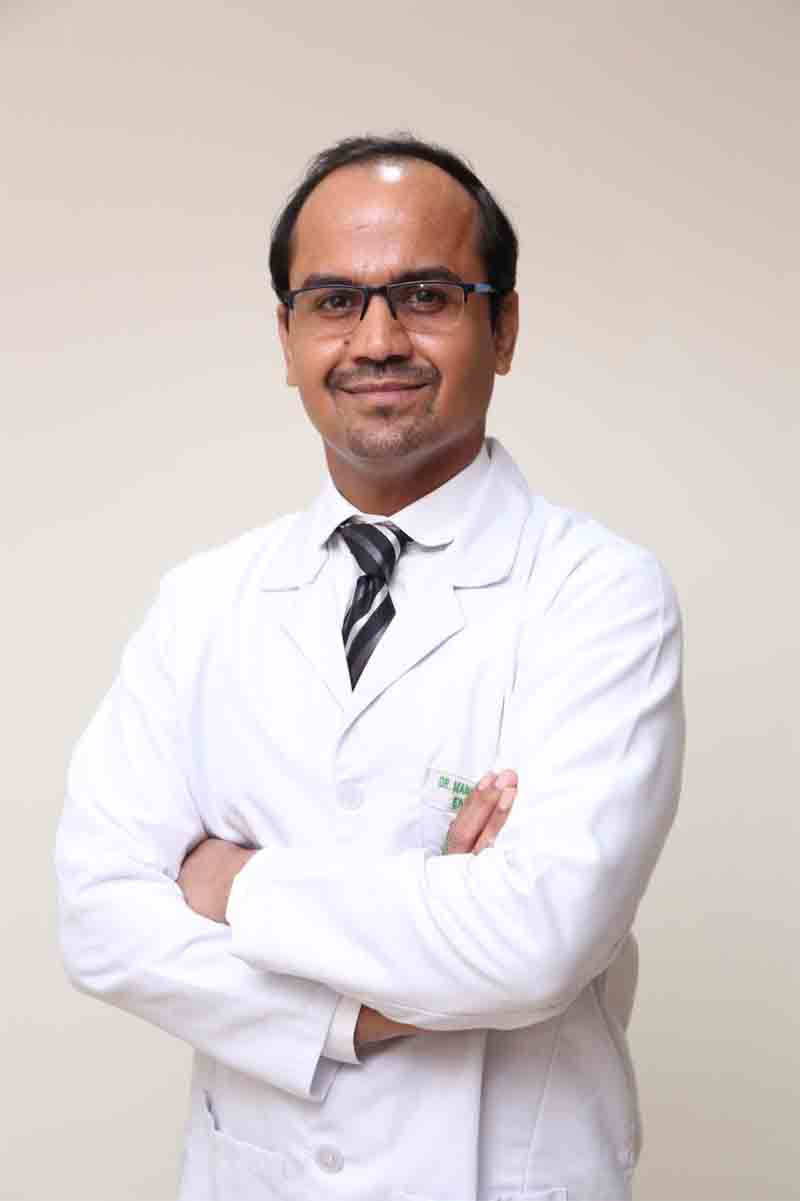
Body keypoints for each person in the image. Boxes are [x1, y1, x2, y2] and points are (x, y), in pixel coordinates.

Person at [54, 133, 685, 1201]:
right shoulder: (203, 602)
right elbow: (100, 919)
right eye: (335, 301)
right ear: (288, 336)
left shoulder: (600, 593)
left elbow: (536, 940)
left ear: (504, 327)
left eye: (426, 295)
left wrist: (235, 883)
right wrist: (359, 1011)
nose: (377, 339)